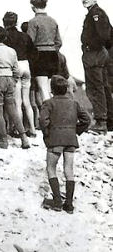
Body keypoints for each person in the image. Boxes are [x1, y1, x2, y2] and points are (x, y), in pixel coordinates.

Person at [39, 75, 91, 213]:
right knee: (69, 170)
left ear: (52, 89)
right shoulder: (74, 103)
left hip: (55, 140)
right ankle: (69, 204)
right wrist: (75, 131)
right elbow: (86, 120)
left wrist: (47, 134)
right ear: (66, 89)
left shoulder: (48, 103)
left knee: (51, 168)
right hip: (70, 140)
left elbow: (43, 121)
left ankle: (57, 201)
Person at [80, 0, 113, 133]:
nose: (84, 0)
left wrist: (91, 47)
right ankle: (108, 120)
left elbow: (104, 36)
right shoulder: (95, 13)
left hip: (94, 54)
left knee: (95, 87)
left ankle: (101, 121)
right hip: (98, 53)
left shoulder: (96, 14)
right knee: (103, 86)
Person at [3, 11, 37, 136]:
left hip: (15, 66)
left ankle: (19, 129)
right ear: (16, 22)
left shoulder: (5, 37)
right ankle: (32, 129)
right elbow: (34, 52)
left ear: (4, 22)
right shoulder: (25, 36)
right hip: (26, 65)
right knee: (26, 101)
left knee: (17, 102)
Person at [27, 0, 62, 103]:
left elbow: (30, 42)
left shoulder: (33, 22)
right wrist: (52, 49)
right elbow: (59, 42)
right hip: (52, 55)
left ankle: (48, 112)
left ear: (33, 6)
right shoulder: (53, 21)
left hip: (40, 56)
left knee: (43, 89)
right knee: (51, 89)